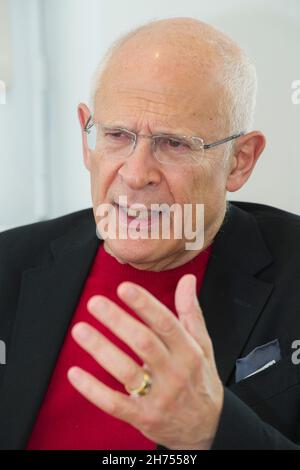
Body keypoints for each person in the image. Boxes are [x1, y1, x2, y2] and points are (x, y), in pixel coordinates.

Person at [0, 17, 300, 450]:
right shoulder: (9, 264)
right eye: (117, 135)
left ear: (240, 160)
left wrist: (213, 431)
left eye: (175, 143)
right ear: (87, 138)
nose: (136, 173)